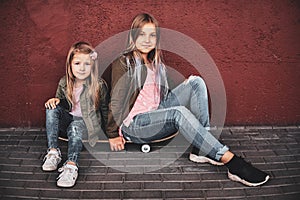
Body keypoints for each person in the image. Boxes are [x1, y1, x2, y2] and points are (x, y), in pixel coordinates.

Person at [106, 13, 270, 187]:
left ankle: (201, 149)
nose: (147, 40)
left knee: (195, 82)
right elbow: (116, 100)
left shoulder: (156, 64)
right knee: (179, 113)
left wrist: (184, 87)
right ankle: (232, 162)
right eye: (142, 34)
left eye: (152, 35)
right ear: (133, 36)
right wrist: (112, 134)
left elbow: (159, 95)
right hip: (136, 125)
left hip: (157, 114)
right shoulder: (124, 62)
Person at [42, 42, 109, 187]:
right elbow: (60, 106)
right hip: (67, 121)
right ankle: (53, 152)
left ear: (92, 67)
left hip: (85, 125)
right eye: (77, 63)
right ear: (70, 65)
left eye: (87, 64)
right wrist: (55, 101)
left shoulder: (98, 85)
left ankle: (71, 165)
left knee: (76, 126)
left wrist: (109, 134)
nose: (82, 68)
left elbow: (105, 110)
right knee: (51, 107)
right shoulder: (64, 83)